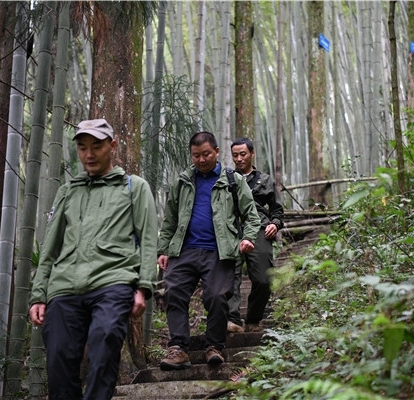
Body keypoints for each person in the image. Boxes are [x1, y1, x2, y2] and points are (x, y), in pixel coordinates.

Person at [28, 118, 158, 400]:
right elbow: (50, 247)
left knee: (104, 343)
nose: (89, 154)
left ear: (112, 146)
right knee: (58, 358)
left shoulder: (133, 187)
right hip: (64, 286)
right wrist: (39, 295)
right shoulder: (68, 191)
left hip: (113, 280)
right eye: (82, 147)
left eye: (96, 146)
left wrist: (144, 287)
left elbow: (148, 239)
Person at [157, 131, 261, 370]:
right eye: (196, 155)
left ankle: (215, 346)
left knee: (216, 297)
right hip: (184, 249)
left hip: (218, 251)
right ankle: (178, 348)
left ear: (216, 152)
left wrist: (247, 238)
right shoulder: (183, 181)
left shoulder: (233, 180)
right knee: (174, 292)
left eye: (206, 154)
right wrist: (163, 249)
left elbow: (251, 215)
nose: (201, 160)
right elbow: (170, 218)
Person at [227, 138, 284, 333]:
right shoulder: (226, 179)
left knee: (263, 279)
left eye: (243, 154)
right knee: (229, 276)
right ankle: (232, 319)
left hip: (259, 227)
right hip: (232, 229)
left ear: (252, 154)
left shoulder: (265, 180)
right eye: (235, 155)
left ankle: (253, 318)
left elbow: (277, 209)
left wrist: (275, 224)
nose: (239, 159)